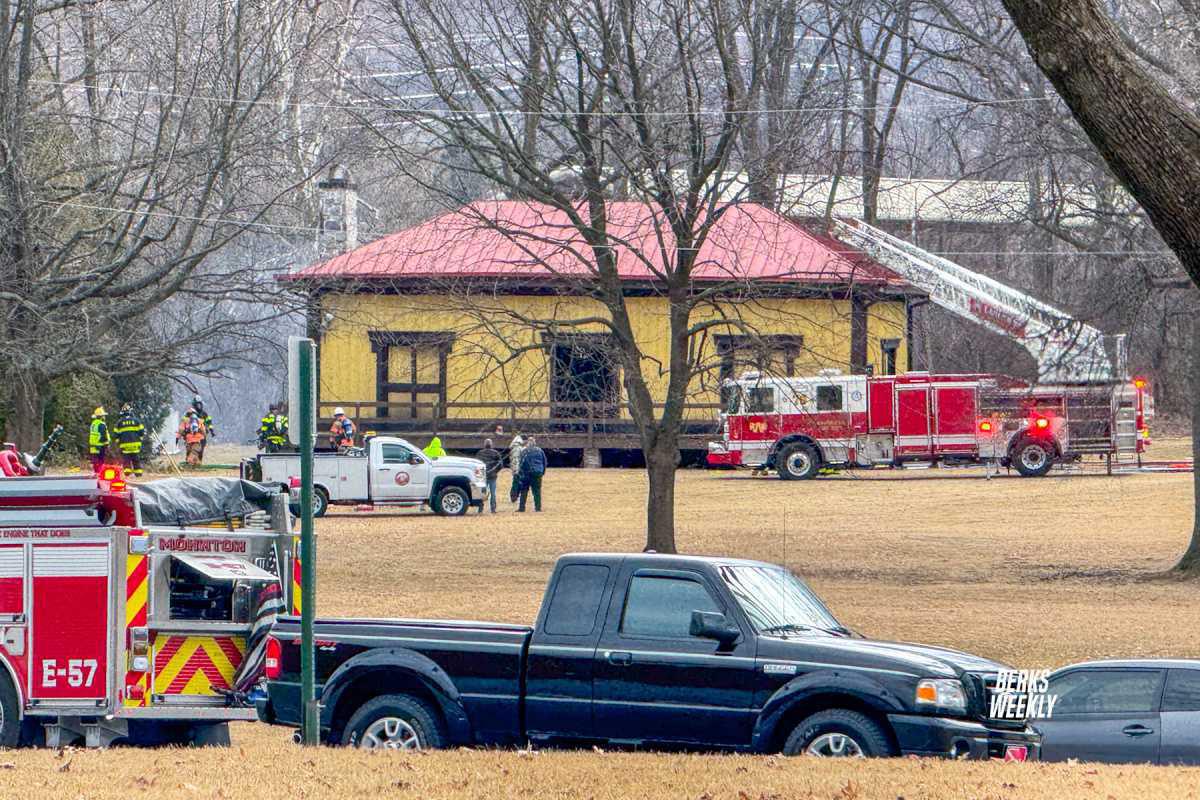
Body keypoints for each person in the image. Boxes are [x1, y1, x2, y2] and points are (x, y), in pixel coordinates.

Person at [112, 403, 146, 477]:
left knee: (126, 460)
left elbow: (115, 435)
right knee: (136, 459)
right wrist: (140, 439)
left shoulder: (119, 423)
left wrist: (118, 443)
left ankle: (127, 474)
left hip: (124, 445)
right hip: (135, 445)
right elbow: (142, 432)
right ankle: (138, 474)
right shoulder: (136, 421)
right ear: (130, 412)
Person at [517, 436, 546, 512]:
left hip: (527, 473)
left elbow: (521, 463)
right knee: (537, 491)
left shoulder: (525, 451)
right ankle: (538, 508)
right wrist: (542, 472)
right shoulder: (540, 451)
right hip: (537, 472)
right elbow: (544, 462)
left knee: (524, 491)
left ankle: (522, 508)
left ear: (528, 443)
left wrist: (520, 473)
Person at [475, 439, 503, 513]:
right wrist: (495, 471)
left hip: (483, 476)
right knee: (493, 493)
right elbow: (500, 465)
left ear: (484, 445)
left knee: (482, 493)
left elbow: (477, 465)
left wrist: (480, 474)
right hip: (492, 476)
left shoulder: (480, 453)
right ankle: (493, 509)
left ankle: (480, 508)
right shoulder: (496, 453)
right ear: (491, 444)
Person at [87, 407, 111, 474]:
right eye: (103, 416)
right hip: (100, 445)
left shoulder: (93, 423)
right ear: (101, 416)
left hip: (93, 445)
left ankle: (96, 472)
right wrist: (106, 444)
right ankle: (100, 472)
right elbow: (103, 435)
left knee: (95, 460)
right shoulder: (101, 424)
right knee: (101, 460)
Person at [192, 395, 215, 461]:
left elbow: (209, 422)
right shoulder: (191, 413)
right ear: (194, 405)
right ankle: (191, 462)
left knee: (201, 449)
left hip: (202, 435)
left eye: (200, 404)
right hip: (193, 435)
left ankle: (199, 462)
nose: (199, 406)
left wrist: (211, 431)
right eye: (197, 404)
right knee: (193, 449)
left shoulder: (204, 414)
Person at [508, 434, 525, 503]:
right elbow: (516, 460)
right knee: (516, 483)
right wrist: (517, 470)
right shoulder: (517, 448)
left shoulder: (514, 448)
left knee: (516, 483)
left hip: (515, 468)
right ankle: (514, 497)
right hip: (517, 469)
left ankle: (515, 497)